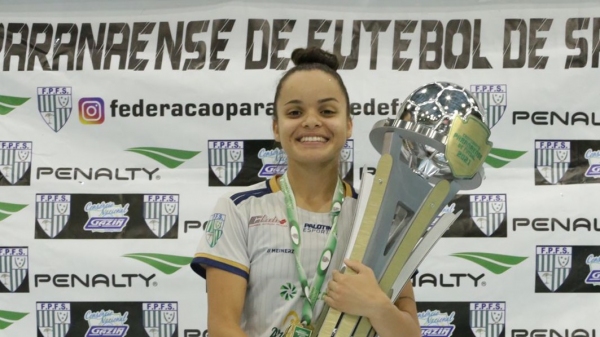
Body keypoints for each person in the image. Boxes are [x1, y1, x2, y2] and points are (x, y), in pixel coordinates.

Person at [190, 47, 420, 337]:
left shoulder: (381, 217)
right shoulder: (239, 210)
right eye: (295, 112)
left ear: (348, 125)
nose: (311, 121)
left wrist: (376, 305)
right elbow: (222, 328)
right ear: (276, 127)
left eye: (327, 111)